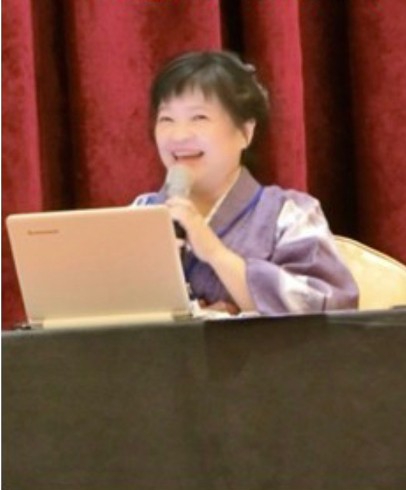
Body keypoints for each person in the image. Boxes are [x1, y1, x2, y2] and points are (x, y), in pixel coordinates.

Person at [133, 51, 359, 315]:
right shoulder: (141, 212)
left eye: (199, 118)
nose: (178, 135)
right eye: (166, 119)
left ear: (245, 132)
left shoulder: (289, 213)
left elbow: (329, 305)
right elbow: (105, 312)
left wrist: (215, 252)